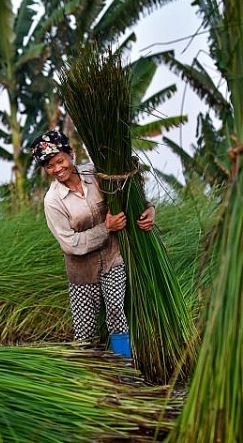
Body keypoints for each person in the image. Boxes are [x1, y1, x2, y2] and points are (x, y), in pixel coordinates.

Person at [30, 129, 155, 357]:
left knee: (117, 311)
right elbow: (70, 244)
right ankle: (92, 379)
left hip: (112, 259)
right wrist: (106, 228)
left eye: (60, 161)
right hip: (82, 272)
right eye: (49, 166)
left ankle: (124, 368)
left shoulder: (97, 173)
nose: (57, 169)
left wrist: (149, 209)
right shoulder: (53, 201)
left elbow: (127, 194)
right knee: (85, 332)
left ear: (71, 153)